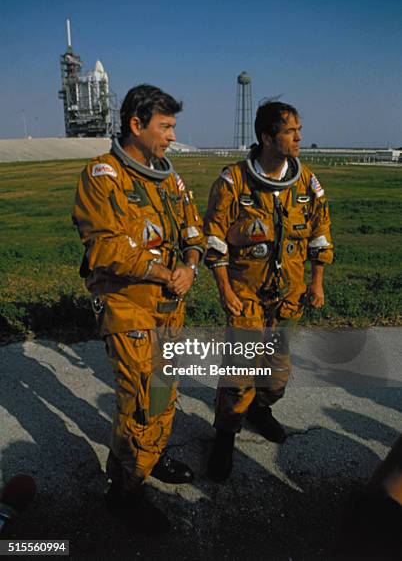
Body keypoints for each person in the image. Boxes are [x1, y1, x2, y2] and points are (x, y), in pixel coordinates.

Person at [73, 84, 204, 532]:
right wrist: (166, 274)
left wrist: (189, 265)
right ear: (136, 124)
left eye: (172, 127)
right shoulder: (102, 176)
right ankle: (125, 491)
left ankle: (153, 455)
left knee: (166, 390)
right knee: (141, 401)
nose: (171, 136)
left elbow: (193, 231)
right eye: (164, 127)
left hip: (169, 307)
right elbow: (107, 249)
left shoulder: (171, 179)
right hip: (128, 306)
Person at [203, 100, 333, 482]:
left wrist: (316, 281)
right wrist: (225, 289)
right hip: (244, 295)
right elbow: (214, 241)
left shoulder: (306, 183)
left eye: (298, 129)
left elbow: (320, 234)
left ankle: (260, 410)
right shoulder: (234, 182)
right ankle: (225, 435)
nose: (299, 137)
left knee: (275, 379)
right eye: (291, 131)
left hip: (287, 297)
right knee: (241, 373)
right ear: (267, 137)